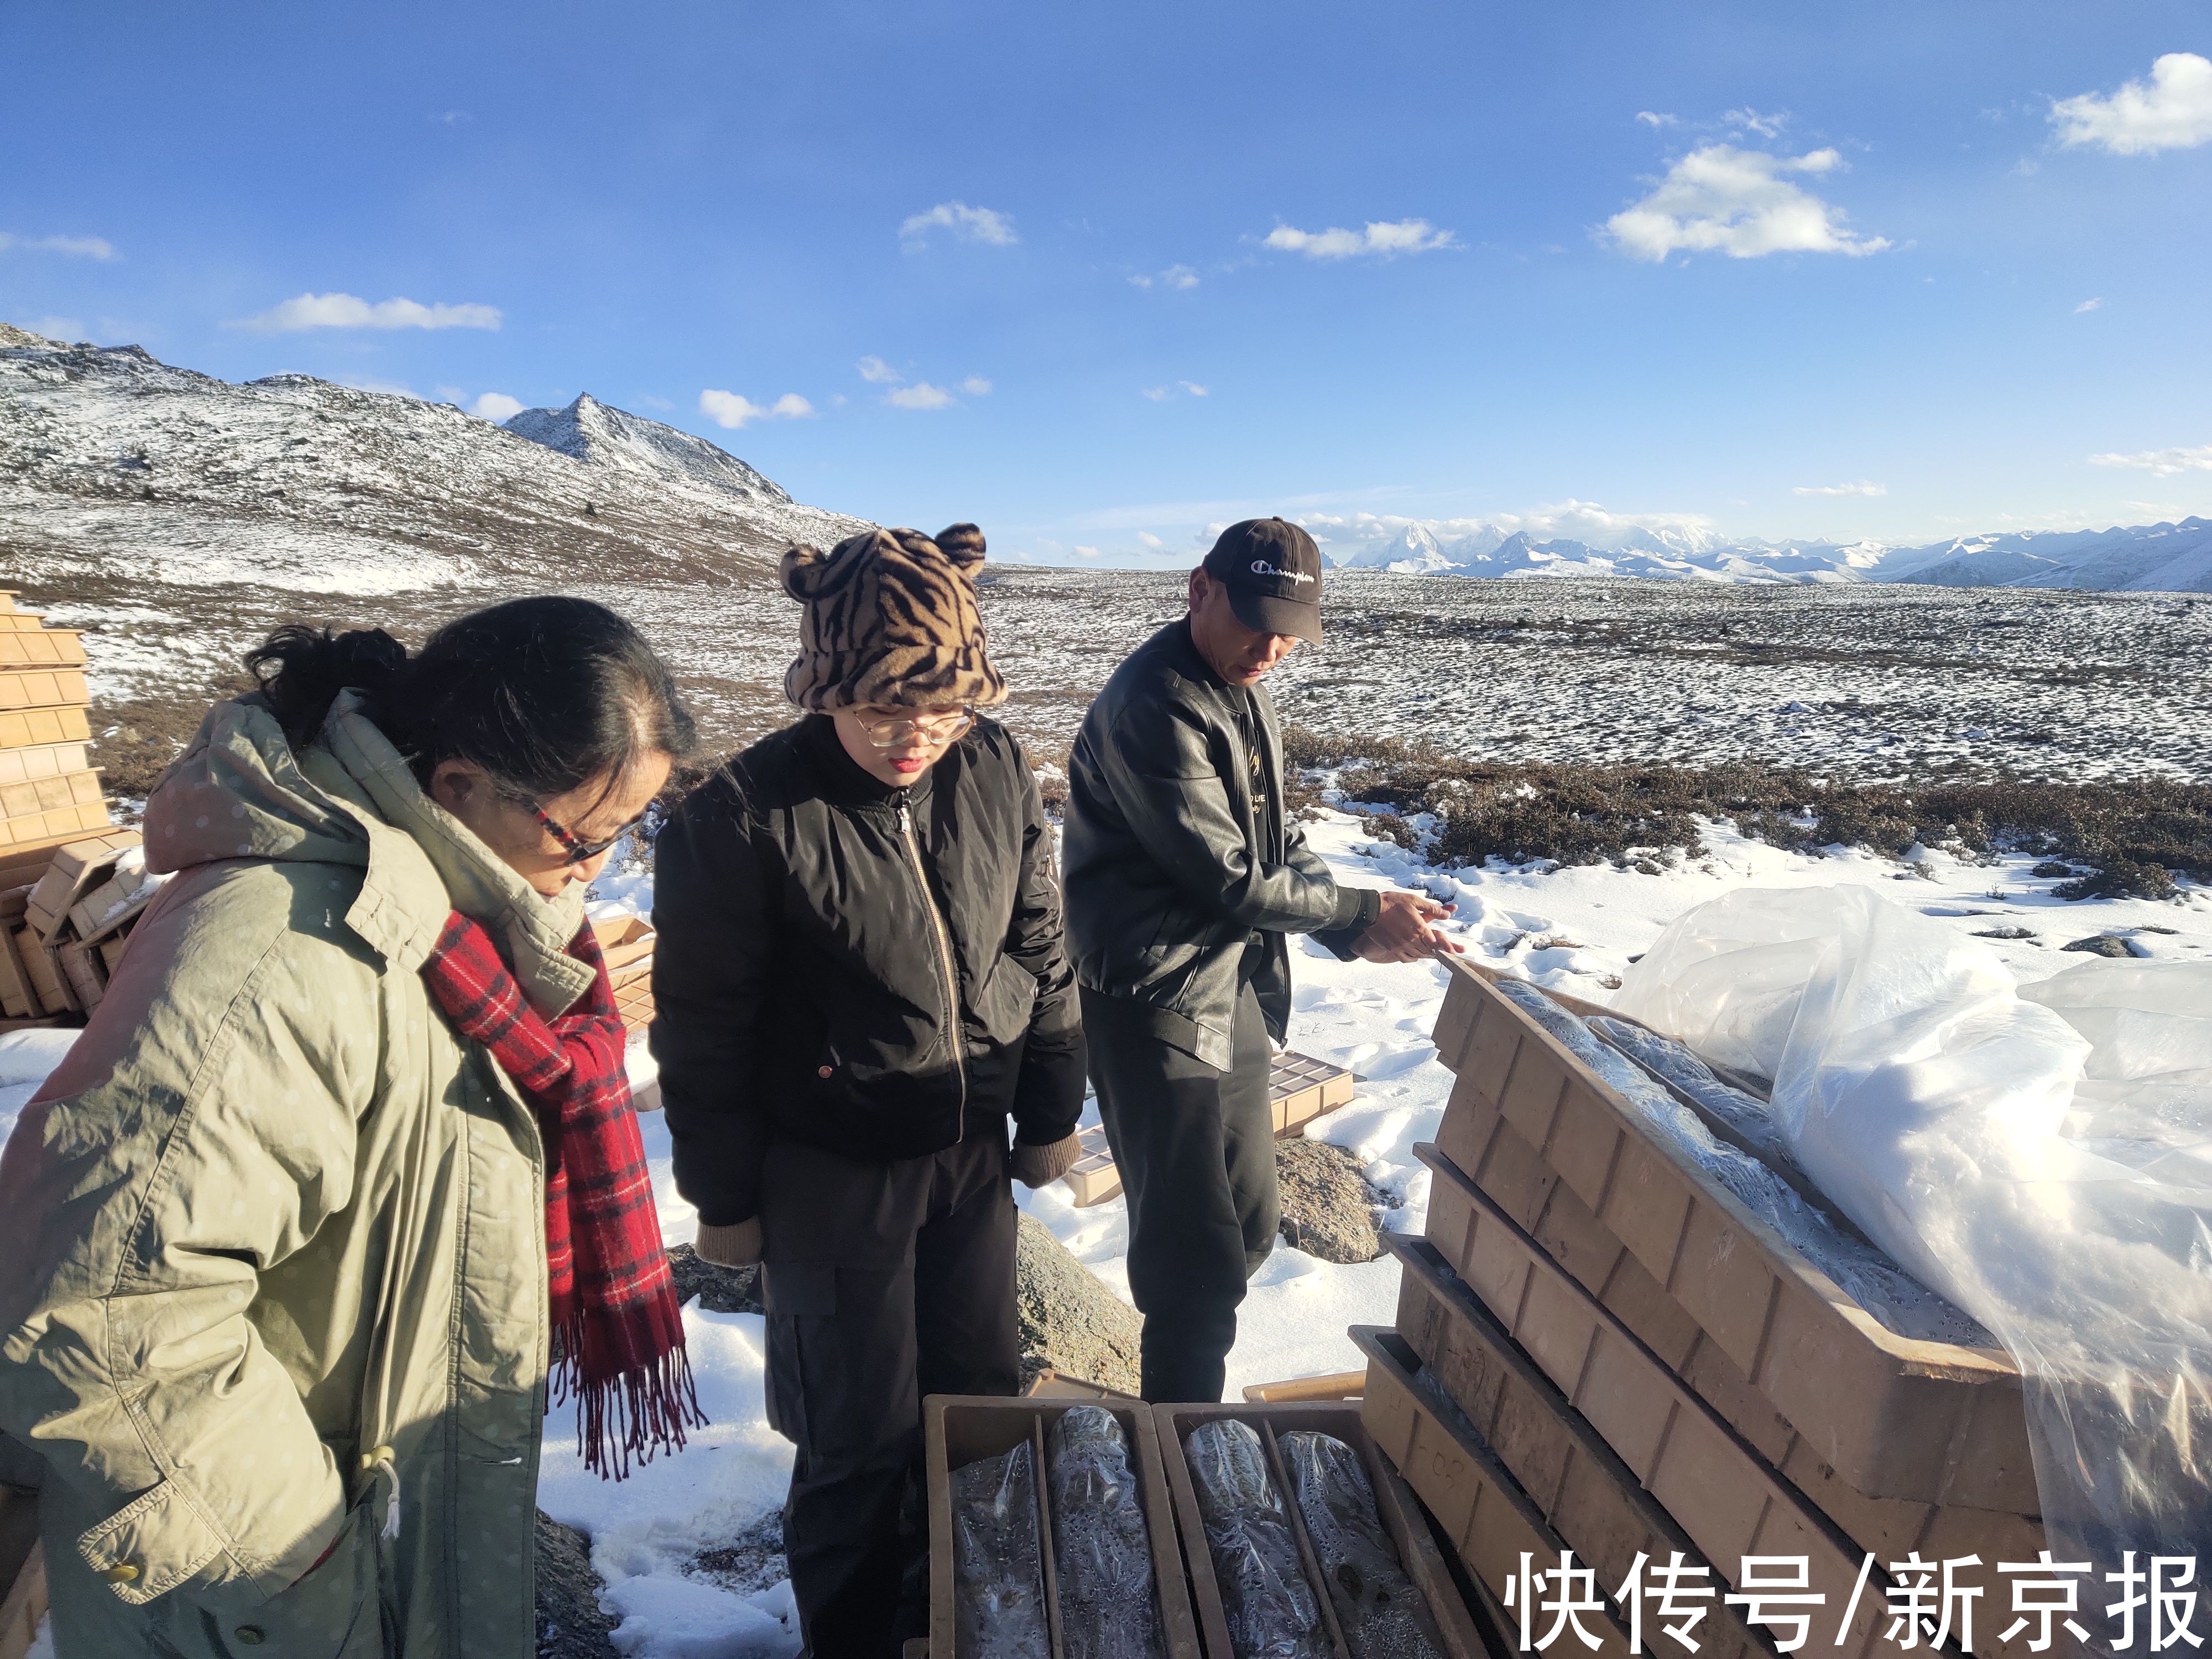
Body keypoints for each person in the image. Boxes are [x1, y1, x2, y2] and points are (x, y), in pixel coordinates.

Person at [0, 597, 702, 1658]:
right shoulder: (284, 958)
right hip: (265, 1600)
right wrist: (302, 1579)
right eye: (584, 836)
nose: (595, 872)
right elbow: (98, 1310)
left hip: (374, 1541)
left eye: (622, 838)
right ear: (458, 787)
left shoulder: (445, 930)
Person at [651, 522, 1087, 1657]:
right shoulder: (741, 816)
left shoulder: (987, 763)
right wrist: (725, 1201)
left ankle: (963, 1619)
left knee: (980, 1401)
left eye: (942, 711)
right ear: (824, 689)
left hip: (966, 1153)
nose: (916, 739)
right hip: (829, 1174)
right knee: (853, 1440)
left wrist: (1047, 1108)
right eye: (887, 713)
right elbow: (703, 1031)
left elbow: (1037, 943)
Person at [1063, 517, 1459, 1402]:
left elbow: (1279, 838)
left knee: (1245, 1221)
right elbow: (1231, 874)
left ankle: (1188, 1415)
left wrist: (1360, 920)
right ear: (1198, 588)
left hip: (1224, 981)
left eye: (1291, 629)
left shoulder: (1236, 687)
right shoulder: (1155, 704)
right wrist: (1360, 913)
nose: (1271, 646)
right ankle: (1182, 1443)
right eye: (1255, 619)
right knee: (1191, 1254)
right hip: (1155, 995)